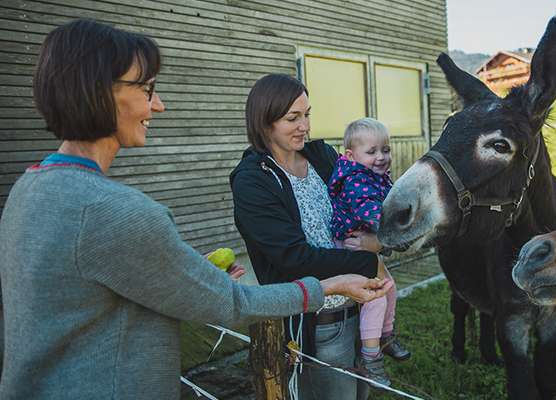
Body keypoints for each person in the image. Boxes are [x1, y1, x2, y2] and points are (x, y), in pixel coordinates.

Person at [0, 19, 389, 399]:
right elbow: (232, 302)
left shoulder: (28, 189)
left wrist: (181, 268)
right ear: (99, 93)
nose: (159, 105)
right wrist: (329, 286)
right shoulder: (117, 212)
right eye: (148, 89)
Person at [230, 75, 388, 400]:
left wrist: (379, 237)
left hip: (361, 309)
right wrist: (370, 259)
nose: (305, 126)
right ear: (265, 121)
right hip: (318, 325)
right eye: (293, 118)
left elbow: (364, 201)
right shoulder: (253, 182)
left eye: (307, 114)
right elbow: (294, 258)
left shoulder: (322, 157)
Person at [328, 118, 411, 387]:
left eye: (385, 150)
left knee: (390, 287)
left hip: (365, 244)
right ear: (351, 155)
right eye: (372, 151)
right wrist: (394, 231)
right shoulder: (354, 179)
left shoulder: (375, 176)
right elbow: (369, 210)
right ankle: (370, 357)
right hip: (350, 245)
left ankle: (385, 335)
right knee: (375, 298)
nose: (381, 157)